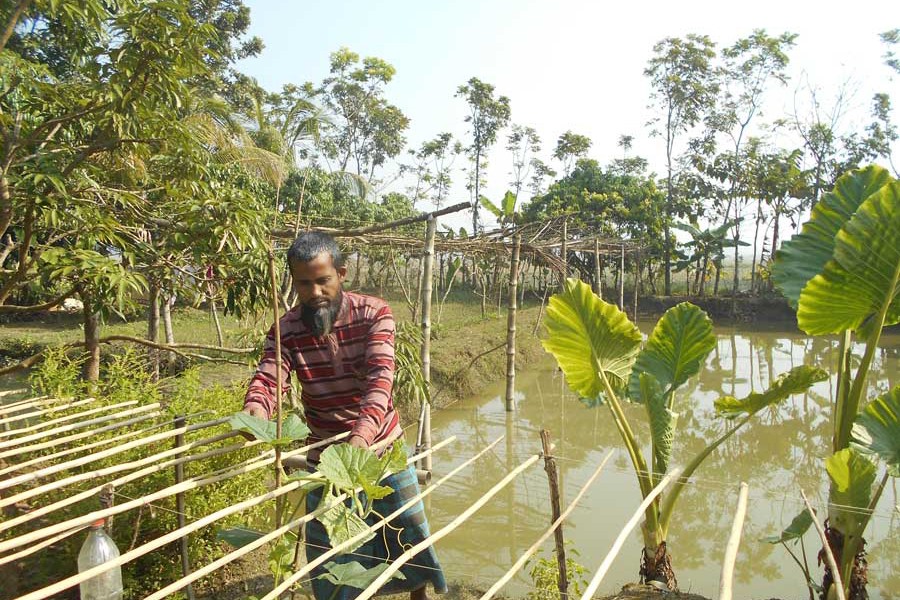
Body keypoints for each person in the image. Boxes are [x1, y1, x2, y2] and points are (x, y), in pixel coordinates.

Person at [243, 231, 446, 600]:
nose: (315, 292)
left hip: (382, 450)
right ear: (294, 282)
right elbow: (271, 372)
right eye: (305, 284)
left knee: (407, 538)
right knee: (334, 560)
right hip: (326, 457)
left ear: (342, 273)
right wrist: (257, 406)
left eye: (324, 281)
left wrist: (361, 439)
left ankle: (419, 595)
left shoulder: (374, 313)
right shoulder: (286, 328)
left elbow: (380, 382)